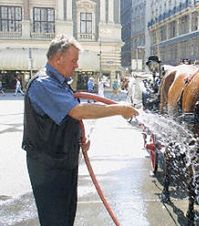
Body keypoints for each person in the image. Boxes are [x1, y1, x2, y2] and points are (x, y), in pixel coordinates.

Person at [21, 34, 138, 226]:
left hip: (63, 160)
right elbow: (77, 111)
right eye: (73, 60)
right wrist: (119, 109)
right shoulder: (43, 84)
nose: (76, 66)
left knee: (66, 216)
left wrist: (78, 138)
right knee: (55, 219)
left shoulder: (60, 84)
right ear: (58, 58)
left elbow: (65, 118)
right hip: (48, 166)